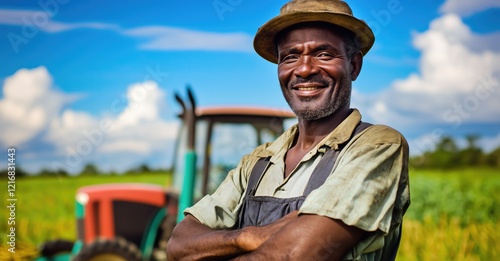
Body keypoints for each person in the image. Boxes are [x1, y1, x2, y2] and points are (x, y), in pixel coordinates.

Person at [166, 0, 410, 260]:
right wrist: (248, 236)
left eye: (324, 54)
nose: (304, 69)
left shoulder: (376, 146)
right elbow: (178, 246)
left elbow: (296, 255)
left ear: (353, 66)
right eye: (290, 57)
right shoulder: (257, 162)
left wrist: (221, 247)